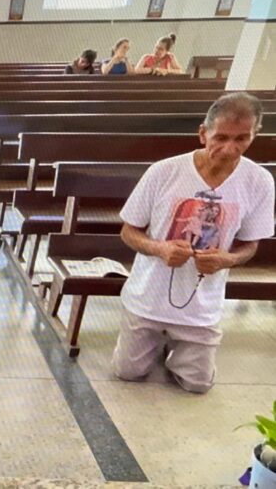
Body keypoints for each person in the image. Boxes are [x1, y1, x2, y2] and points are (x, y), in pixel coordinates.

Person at [114, 93, 275, 394]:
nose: (230, 149)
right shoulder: (165, 171)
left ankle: (179, 352)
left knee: (197, 385)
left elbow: (251, 245)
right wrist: (160, 248)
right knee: (128, 372)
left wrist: (226, 259)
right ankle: (156, 342)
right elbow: (128, 231)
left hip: (201, 305)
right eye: (221, 137)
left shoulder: (260, 181)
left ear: (255, 135)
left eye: (242, 139)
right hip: (148, 297)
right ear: (203, 133)